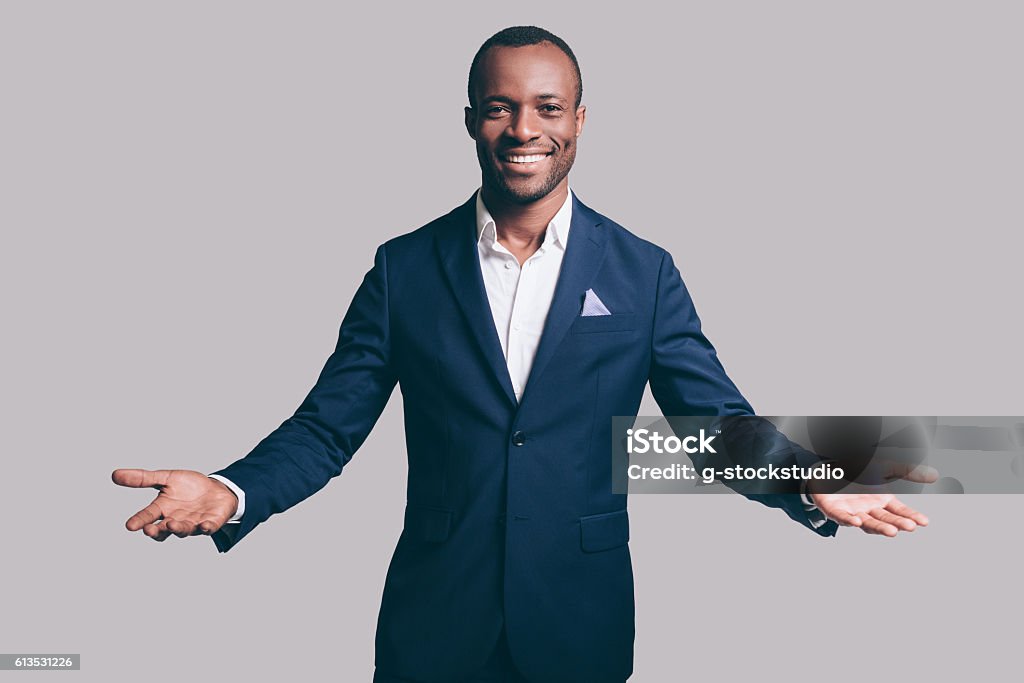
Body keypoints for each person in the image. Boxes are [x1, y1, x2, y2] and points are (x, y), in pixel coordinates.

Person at [113, 26, 930, 683]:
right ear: (471, 119)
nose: (524, 129)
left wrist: (804, 479)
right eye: (499, 107)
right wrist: (233, 489)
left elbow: (712, 423)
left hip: (580, 623)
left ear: (579, 118)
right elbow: (329, 428)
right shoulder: (403, 269)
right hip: (433, 625)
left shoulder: (643, 272)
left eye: (547, 106)